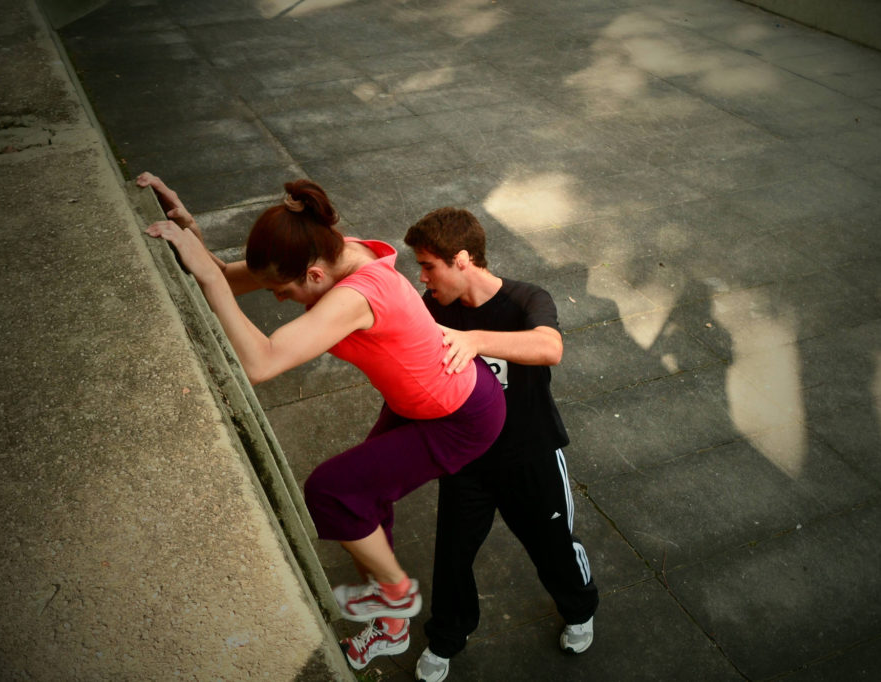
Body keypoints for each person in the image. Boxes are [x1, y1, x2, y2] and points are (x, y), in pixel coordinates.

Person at [137, 174, 506, 671]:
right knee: (362, 499)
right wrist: (192, 235)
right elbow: (229, 278)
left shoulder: (356, 295)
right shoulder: (328, 251)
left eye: (284, 292)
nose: (278, 300)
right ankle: (390, 620)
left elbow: (261, 362)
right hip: (422, 399)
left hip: (459, 417)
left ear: (313, 276)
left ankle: (396, 600)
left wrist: (205, 275)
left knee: (331, 491)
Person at [403, 208, 599, 682]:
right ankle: (447, 638)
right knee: (451, 558)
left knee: (553, 548)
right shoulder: (432, 306)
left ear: (462, 259)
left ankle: (579, 609)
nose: (423, 278)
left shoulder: (526, 298)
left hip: (530, 457)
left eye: (429, 266)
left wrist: (474, 341)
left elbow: (549, 347)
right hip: (467, 461)